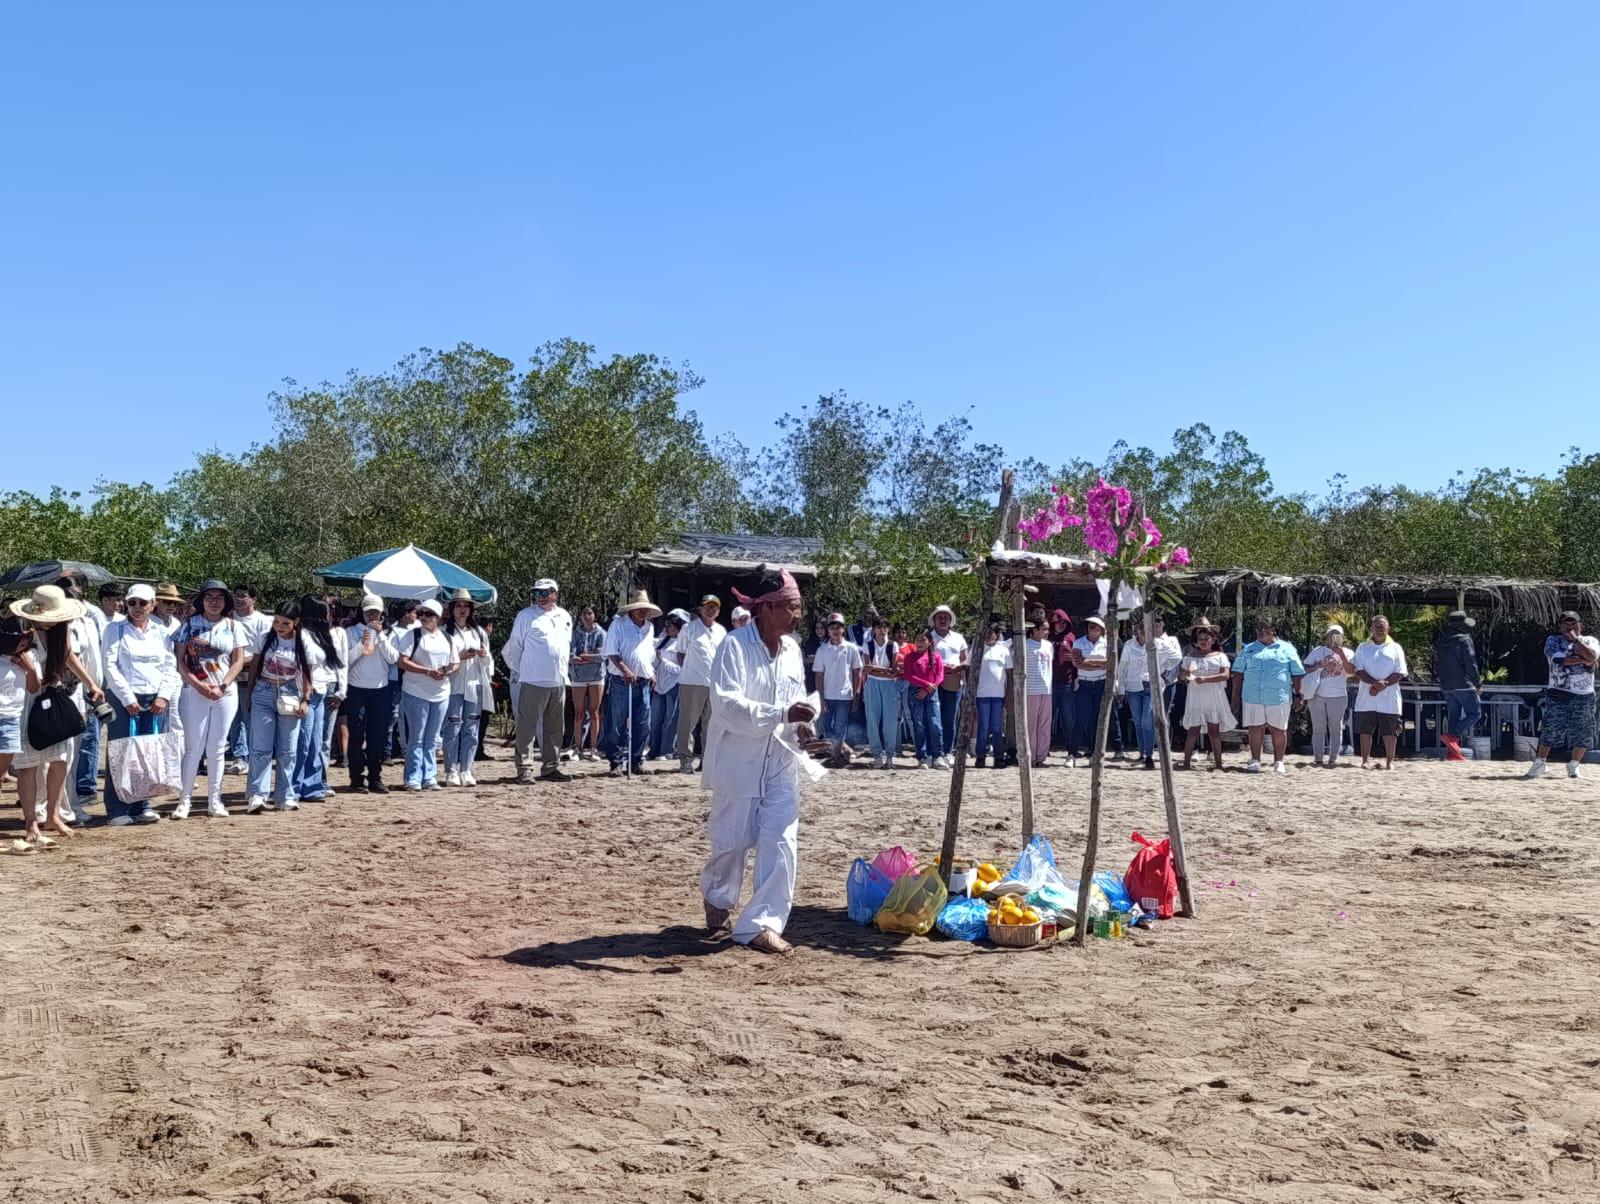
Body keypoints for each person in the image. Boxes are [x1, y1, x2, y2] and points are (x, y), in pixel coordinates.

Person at [698, 569, 818, 955]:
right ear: (766, 609)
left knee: (781, 842)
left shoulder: (794, 651)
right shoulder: (733, 647)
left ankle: (760, 924)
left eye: (799, 607)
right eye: (791, 607)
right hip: (739, 761)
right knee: (731, 843)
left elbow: (799, 698)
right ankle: (717, 895)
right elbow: (727, 706)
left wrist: (805, 726)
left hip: (782, 761)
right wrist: (783, 713)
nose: (798, 615)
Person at [9, 587, 104, 842]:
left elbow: (68, 656)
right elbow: (25, 677)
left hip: (52, 695)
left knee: (61, 759)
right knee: (28, 765)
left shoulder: (60, 631)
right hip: (27, 701)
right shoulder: (18, 632)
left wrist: (91, 683)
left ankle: (53, 814)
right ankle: (31, 822)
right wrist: (29, 672)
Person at [101, 583, 180, 824]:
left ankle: (141, 803)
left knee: (148, 752)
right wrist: (127, 698)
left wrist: (163, 695)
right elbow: (110, 665)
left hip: (154, 698)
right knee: (122, 751)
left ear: (153, 604)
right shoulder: (115, 629)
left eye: (143, 603)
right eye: (133, 602)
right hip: (125, 697)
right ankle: (117, 809)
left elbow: (169, 664)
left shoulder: (161, 631)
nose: (137, 607)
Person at [171, 580, 248, 819]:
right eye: (209, 597)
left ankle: (215, 800)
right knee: (193, 747)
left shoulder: (234, 627)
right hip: (195, 691)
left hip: (225, 691)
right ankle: (184, 800)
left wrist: (223, 685)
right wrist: (199, 685)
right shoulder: (189, 626)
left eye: (219, 598)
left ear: (225, 602)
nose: (214, 602)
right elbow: (180, 661)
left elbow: (237, 661)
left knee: (217, 747)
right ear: (202, 600)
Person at [502, 579, 573, 783]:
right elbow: (515, 647)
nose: (540, 596)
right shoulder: (526, 616)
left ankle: (551, 767)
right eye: (537, 593)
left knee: (555, 728)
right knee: (527, 727)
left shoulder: (565, 616)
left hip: (558, 681)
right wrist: (521, 669)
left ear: (555, 594)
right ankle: (524, 768)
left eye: (545, 592)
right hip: (533, 680)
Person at [244, 600, 310, 812]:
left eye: (285, 623)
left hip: (290, 694)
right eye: (277, 622)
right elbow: (255, 665)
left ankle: (285, 796)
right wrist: (251, 692)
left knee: (288, 749)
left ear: (296, 623)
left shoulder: (303, 642)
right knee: (260, 748)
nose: (279, 627)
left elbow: (308, 673)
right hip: (263, 692)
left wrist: (305, 699)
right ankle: (257, 794)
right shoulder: (264, 638)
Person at [1525, 610, 1598, 780]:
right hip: (1559, 693)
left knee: (1584, 731)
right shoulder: (1553, 641)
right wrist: (1586, 660)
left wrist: (1577, 642)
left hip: (1584, 694)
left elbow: (1592, 655)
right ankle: (1540, 761)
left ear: (1581, 625)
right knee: (1550, 729)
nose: (1570, 627)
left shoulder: (1591, 640)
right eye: (1566, 624)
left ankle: (1574, 765)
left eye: (1574, 624)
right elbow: (1559, 660)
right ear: (1560, 626)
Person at [396, 598, 458, 790]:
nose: (423, 617)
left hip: (440, 692)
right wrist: (427, 671)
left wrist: (446, 672)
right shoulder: (412, 635)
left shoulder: (448, 638)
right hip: (416, 691)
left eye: (428, 614)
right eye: (421, 613)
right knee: (417, 736)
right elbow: (402, 661)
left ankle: (429, 776)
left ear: (438, 617)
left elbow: (455, 663)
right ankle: (413, 777)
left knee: (432, 737)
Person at [1230, 616, 1305, 775]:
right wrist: (1235, 697)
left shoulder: (1287, 648)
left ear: (1273, 631)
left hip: (1278, 696)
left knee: (1278, 729)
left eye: (1265, 629)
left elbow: (1297, 674)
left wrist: (1299, 695)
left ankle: (1279, 762)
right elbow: (1237, 673)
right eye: (1259, 629)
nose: (1261, 632)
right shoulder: (1248, 649)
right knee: (1255, 728)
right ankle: (1255, 760)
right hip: (1252, 696)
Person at [290, 597, 346, 802]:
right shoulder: (302, 635)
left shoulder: (320, 636)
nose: (329, 615)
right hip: (308, 693)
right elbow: (304, 665)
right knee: (303, 742)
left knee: (315, 742)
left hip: (321, 692)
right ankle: (295, 786)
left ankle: (312, 785)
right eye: (326, 612)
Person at [343, 594, 398, 793]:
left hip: (381, 689)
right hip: (356, 688)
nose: (372, 615)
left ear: (382, 612)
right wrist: (361, 645)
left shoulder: (389, 632)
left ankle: (375, 777)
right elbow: (345, 660)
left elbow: (393, 658)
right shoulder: (350, 632)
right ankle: (356, 777)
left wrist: (380, 636)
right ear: (362, 612)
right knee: (356, 735)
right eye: (368, 611)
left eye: (376, 611)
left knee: (378, 736)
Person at [601, 590, 660, 777]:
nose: (642, 611)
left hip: (642, 681)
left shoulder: (649, 627)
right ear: (631, 609)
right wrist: (625, 669)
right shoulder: (618, 624)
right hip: (621, 681)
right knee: (616, 723)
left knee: (643, 724)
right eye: (638, 608)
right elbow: (611, 650)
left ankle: (636, 761)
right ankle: (615, 762)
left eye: (644, 608)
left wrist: (651, 673)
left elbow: (648, 653)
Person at [441, 589, 491, 787]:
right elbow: (441, 660)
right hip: (453, 685)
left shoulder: (478, 632)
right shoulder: (445, 632)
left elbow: (488, 661)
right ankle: (451, 769)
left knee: (471, 728)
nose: (462, 610)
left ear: (470, 610)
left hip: (474, 684)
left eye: (465, 606)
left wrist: (482, 655)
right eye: (458, 606)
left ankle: (466, 769)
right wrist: (459, 657)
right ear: (452, 609)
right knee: (452, 727)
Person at [673, 594, 725, 774]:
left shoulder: (721, 631)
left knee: (711, 725)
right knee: (688, 723)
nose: (710, 609)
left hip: (714, 684)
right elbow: (680, 652)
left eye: (714, 606)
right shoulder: (689, 628)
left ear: (718, 610)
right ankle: (685, 760)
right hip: (692, 683)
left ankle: (707, 760)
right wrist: (688, 670)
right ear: (701, 608)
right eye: (707, 606)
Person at [226, 585, 274, 775]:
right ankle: (240, 756)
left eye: (243, 596)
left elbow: (263, 652)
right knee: (233, 719)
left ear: (253, 599)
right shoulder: (228, 619)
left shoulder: (262, 621)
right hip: (230, 677)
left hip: (252, 676)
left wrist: (242, 661)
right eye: (236, 596)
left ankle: (255, 756)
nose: (238, 600)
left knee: (250, 719)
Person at [1351, 615, 1407, 771]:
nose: (1379, 629)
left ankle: (1390, 762)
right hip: (1366, 696)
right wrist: (1374, 684)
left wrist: (1384, 684)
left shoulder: (1396, 648)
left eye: (1382, 627)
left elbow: (1400, 672)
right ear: (1371, 628)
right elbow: (1358, 670)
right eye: (1376, 626)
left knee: (1390, 731)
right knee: (1365, 730)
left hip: (1389, 698)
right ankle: (1364, 760)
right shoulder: (1363, 647)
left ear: (1388, 629)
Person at [1179, 618, 1233, 771]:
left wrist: (1206, 679)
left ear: (1213, 639)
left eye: (1206, 639)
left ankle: (1218, 763)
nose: (1203, 642)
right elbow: (1182, 678)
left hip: (1214, 695)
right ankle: (1186, 763)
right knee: (1193, 730)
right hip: (1196, 695)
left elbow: (1225, 675)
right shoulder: (1190, 657)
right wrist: (1185, 674)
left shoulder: (1220, 656)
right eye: (1200, 639)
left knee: (1214, 730)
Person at [810, 613, 864, 765]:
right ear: (828, 630)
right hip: (827, 695)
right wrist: (820, 698)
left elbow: (857, 672)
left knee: (841, 727)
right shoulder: (822, 650)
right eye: (832, 627)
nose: (835, 630)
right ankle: (838, 753)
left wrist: (856, 692)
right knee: (826, 727)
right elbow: (818, 676)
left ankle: (836, 756)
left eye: (838, 627)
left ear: (843, 629)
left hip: (845, 695)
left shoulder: (851, 648)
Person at [1302, 624, 1356, 767]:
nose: (1333, 637)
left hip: (1338, 695)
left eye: (1337, 634)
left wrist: (1341, 655)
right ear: (1326, 636)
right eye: (1331, 634)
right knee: (1318, 728)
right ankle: (1318, 758)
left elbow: (1352, 672)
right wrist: (1317, 667)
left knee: (1336, 727)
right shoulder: (1318, 651)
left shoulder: (1348, 653)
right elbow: (1305, 668)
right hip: (1317, 694)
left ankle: (1333, 757)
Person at [1433, 611, 1481, 761]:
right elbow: (1470, 662)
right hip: (1464, 684)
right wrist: (1477, 682)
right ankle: (1452, 736)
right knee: (1475, 714)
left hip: (1447, 685)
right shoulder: (1464, 639)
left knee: (1454, 716)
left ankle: (1453, 753)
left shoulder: (1441, 641)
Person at [1114, 621, 1160, 769]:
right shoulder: (1129, 645)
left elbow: (1167, 662)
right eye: (1143, 631)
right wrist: (1120, 690)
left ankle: (1150, 754)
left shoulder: (1157, 644)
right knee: (1138, 722)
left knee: (1147, 720)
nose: (1145, 635)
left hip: (1150, 686)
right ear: (1138, 632)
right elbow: (1122, 669)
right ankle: (1143, 753)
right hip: (1132, 687)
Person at [929, 605, 968, 767]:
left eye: (946, 617)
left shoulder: (958, 637)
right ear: (934, 619)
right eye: (940, 617)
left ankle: (947, 751)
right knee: (934, 717)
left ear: (950, 620)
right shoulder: (928, 636)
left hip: (953, 679)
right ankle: (935, 752)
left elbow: (965, 659)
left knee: (950, 718)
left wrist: (958, 667)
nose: (943, 620)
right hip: (933, 681)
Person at [1068, 615, 1109, 767]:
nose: (1091, 628)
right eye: (1090, 626)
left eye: (1095, 626)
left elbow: (1111, 662)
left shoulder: (1107, 643)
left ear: (1101, 629)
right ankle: (1071, 754)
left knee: (1096, 721)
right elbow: (1077, 662)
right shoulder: (1079, 642)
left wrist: (1088, 662)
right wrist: (1100, 664)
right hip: (1084, 684)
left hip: (1100, 684)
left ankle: (1094, 753)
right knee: (1080, 720)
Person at [567, 604, 605, 763]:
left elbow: (601, 656)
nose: (587, 616)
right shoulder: (576, 633)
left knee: (595, 712)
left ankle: (594, 748)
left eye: (589, 613)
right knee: (579, 712)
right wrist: (587, 658)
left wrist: (583, 657)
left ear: (595, 616)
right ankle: (578, 747)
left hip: (596, 676)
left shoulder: (602, 633)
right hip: (578, 677)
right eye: (584, 613)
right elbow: (571, 656)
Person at [902, 629, 946, 769]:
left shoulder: (936, 657)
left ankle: (937, 755)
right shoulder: (909, 657)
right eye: (917, 639)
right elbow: (909, 675)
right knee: (919, 724)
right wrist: (926, 684)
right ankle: (923, 756)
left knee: (935, 724)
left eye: (923, 640)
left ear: (929, 642)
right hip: (916, 692)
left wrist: (928, 689)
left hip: (932, 692)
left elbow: (940, 676)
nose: (920, 642)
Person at [862, 616, 902, 769]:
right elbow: (867, 667)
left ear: (888, 629)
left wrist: (875, 669)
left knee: (891, 722)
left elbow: (893, 671)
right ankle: (877, 755)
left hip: (889, 685)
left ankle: (890, 756)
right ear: (874, 629)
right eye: (878, 627)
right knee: (872, 720)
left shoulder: (893, 646)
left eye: (885, 627)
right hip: (872, 684)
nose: (881, 630)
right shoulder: (868, 645)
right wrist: (882, 671)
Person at [649, 609, 689, 761]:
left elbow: (681, 669)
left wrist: (663, 662)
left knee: (670, 719)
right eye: (666, 625)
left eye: (671, 625)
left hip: (674, 685)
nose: (667, 628)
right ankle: (654, 749)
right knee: (655, 719)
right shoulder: (662, 640)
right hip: (659, 685)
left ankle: (667, 750)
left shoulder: (682, 644)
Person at [1023, 617, 1053, 768]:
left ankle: (1041, 757)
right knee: (1031, 726)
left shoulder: (1048, 645)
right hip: (1031, 690)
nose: (1047, 632)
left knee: (1044, 725)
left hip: (1046, 690)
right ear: (1034, 630)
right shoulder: (1025, 645)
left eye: (1048, 629)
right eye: (1044, 629)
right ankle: (1030, 756)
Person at [1048, 610, 1076, 750]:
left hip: (1067, 682)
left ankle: (1071, 749)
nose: (1060, 625)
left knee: (1068, 718)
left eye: (1063, 622)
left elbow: (1077, 660)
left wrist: (1076, 678)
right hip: (1049, 684)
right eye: (1057, 622)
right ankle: (1044, 748)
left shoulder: (1071, 638)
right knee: (1048, 717)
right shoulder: (1047, 637)